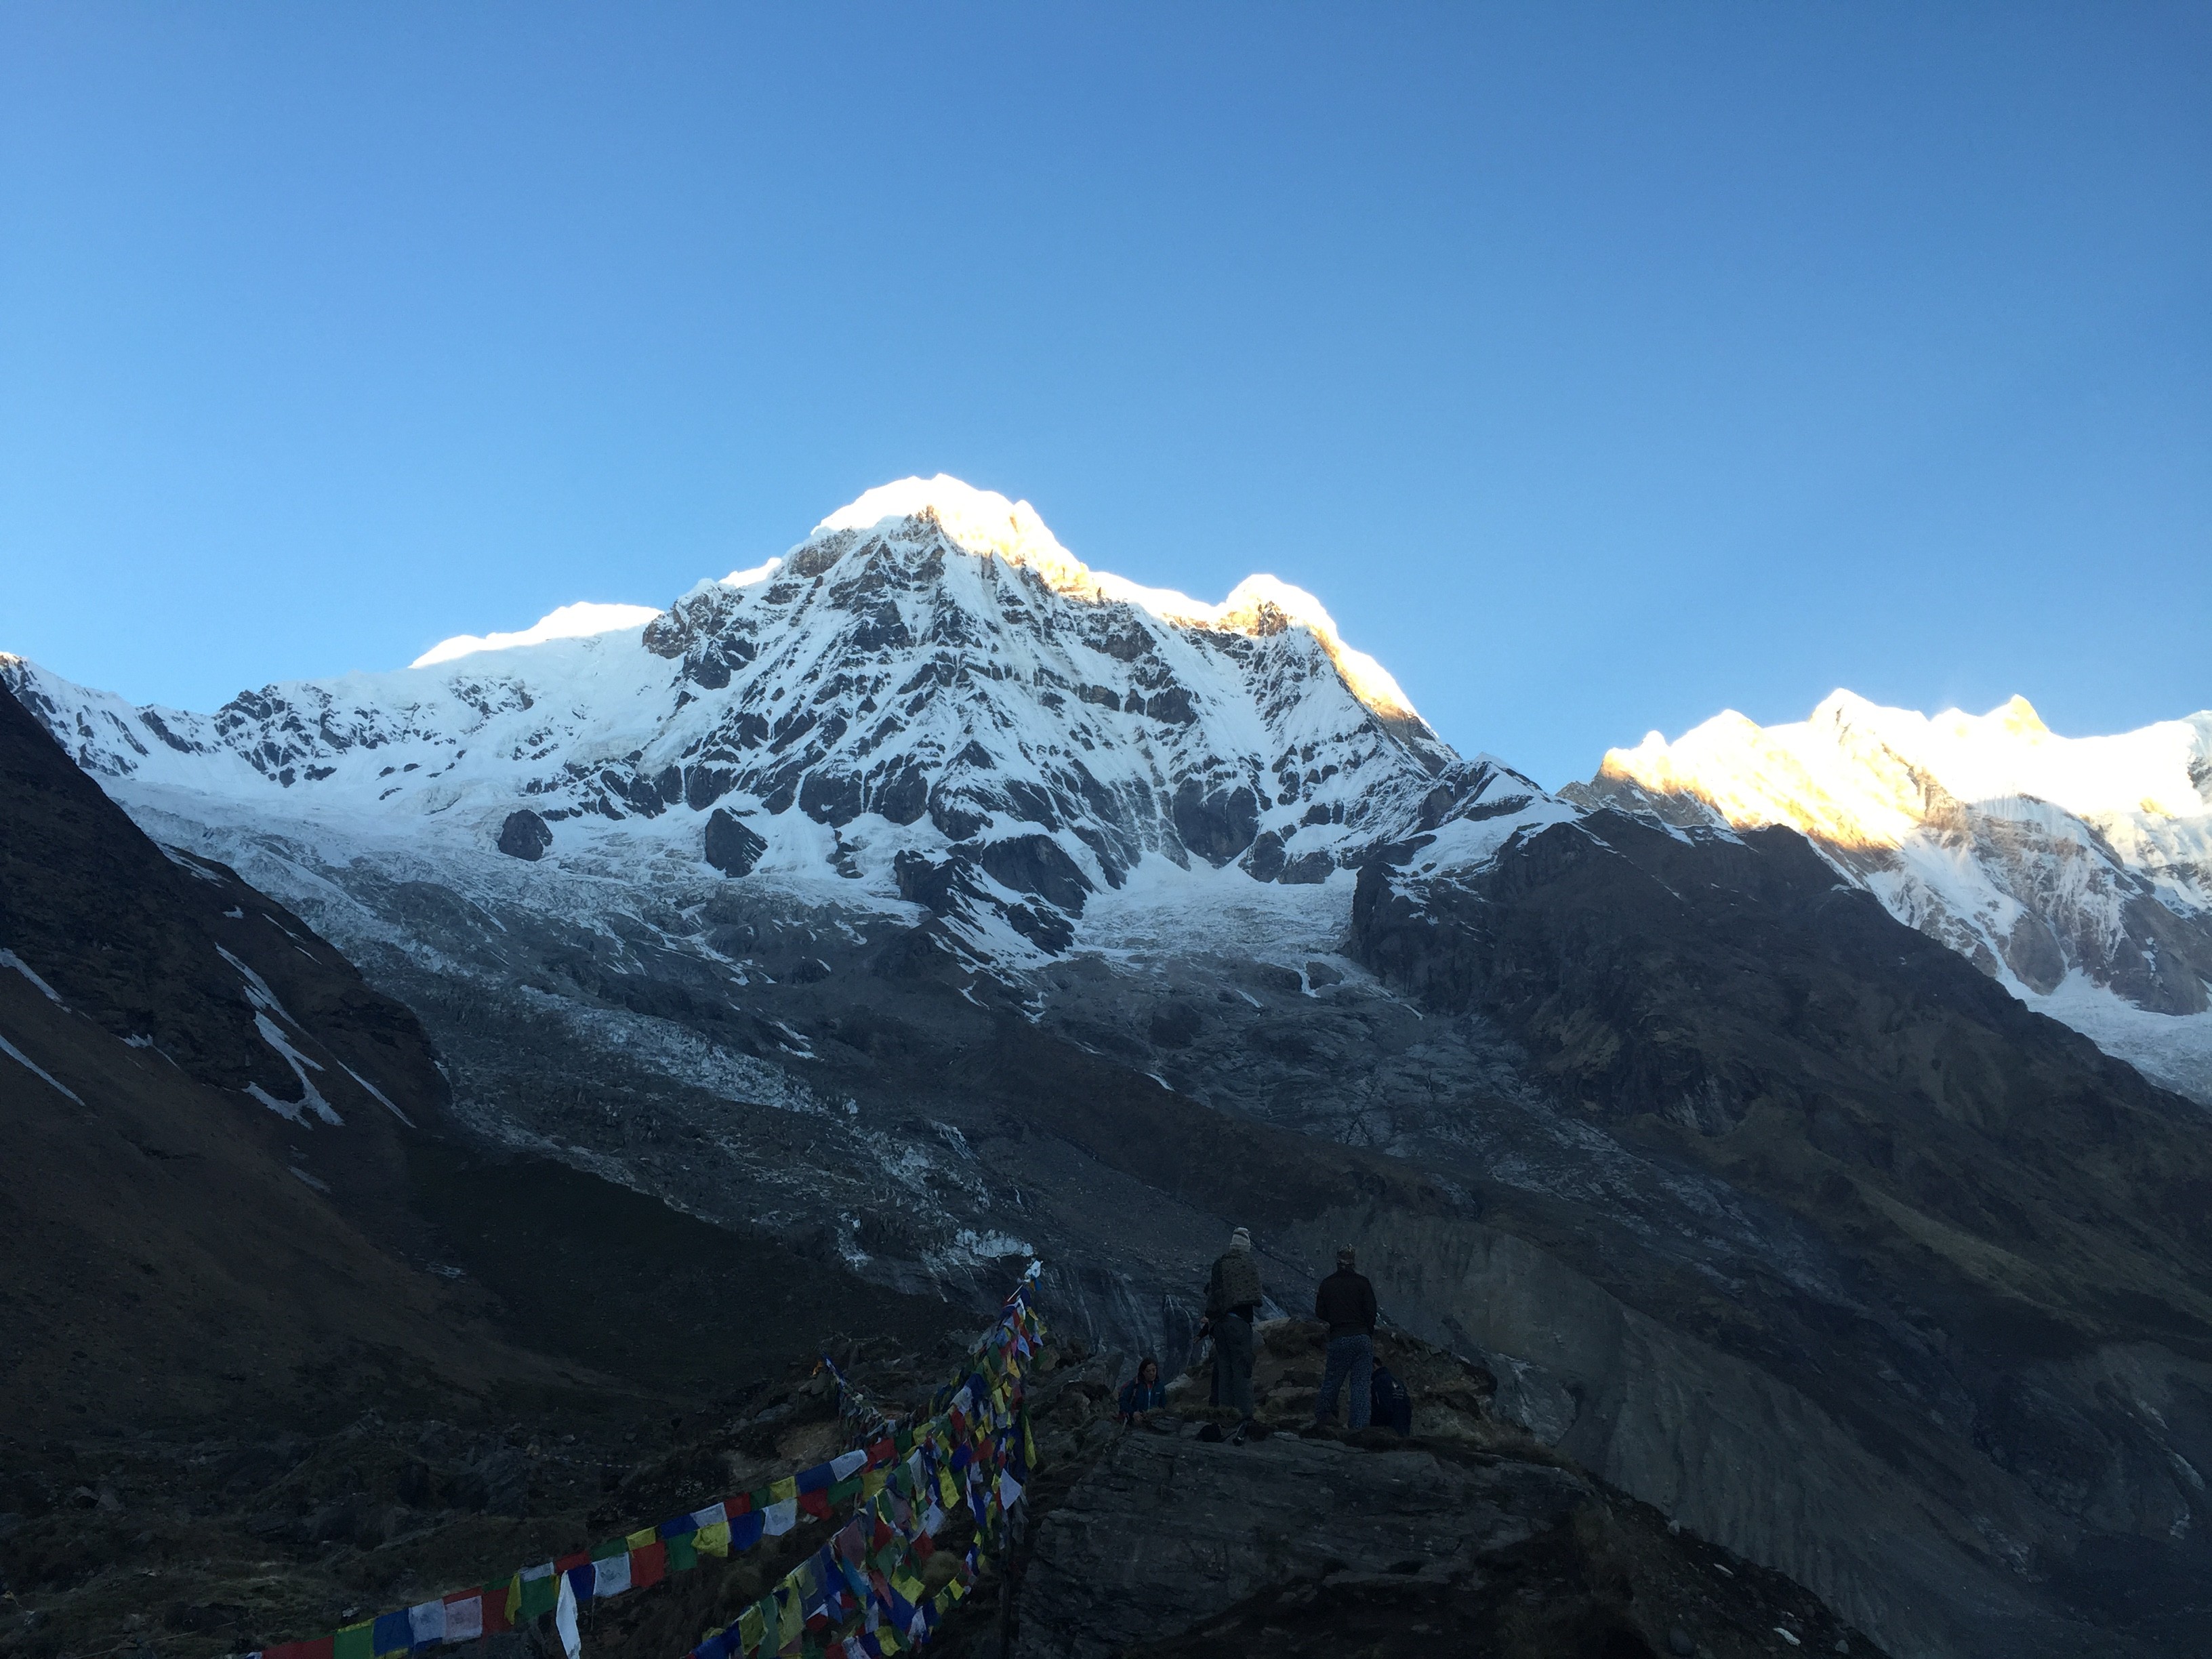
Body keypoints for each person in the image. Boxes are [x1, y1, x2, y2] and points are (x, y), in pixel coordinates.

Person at [1204, 1225, 1263, 1436]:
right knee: (1243, 1369)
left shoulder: (1220, 1264)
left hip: (1220, 1324)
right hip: (1240, 1323)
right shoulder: (1249, 1265)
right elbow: (1257, 1296)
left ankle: (1224, 1414)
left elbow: (1214, 1293)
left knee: (1225, 1369)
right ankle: (1244, 1417)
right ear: (1246, 1246)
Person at [1312, 1246, 1377, 1431]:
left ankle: (1324, 1419)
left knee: (1332, 1381)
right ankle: (1359, 1428)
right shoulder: (1363, 1283)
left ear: (1337, 1261)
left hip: (1339, 1336)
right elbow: (1371, 1312)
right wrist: (1367, 1332)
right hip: (1361, 1337)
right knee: (1360, 1386)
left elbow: (1320, 1312)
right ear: (1353, 1262)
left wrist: (1335, 1320)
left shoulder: (1327, 1284)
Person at [1118, 1356, 1167, 1423]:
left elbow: (1163, 1405)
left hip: (1154, 1422)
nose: (1152, 1373)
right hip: (1135, 1422)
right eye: (1148, 1371)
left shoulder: (1160, 1386)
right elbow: (1123, 1401)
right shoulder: (1135, 1385)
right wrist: (1133, 1413)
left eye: (1154, 1370)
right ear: (1143, 1372)